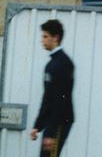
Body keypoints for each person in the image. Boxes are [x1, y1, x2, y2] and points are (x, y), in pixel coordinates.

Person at [30, 20, 74, 156]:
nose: (42, 40)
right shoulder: (52, 64)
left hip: (59, 123)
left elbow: (60, 99)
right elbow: (47, 97)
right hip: (52, 123)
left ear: (55, 38)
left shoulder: (63, 63)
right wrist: (38, 125)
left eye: (45, 36)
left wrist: (51, 132)